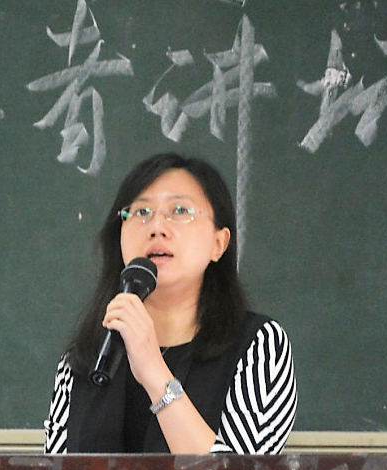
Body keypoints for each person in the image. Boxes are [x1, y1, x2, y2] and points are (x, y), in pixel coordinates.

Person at [45, 153, 297, 454]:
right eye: (141, 212)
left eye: (180, 210)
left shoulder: (260, 345)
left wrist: (154, 371)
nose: (157, 227)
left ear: (219, 244)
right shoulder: (83, 358)